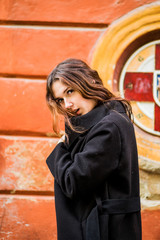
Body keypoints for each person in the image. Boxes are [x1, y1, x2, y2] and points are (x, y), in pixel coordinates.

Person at [46, 58, 142, 240]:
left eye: (70, 92)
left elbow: (73, 182)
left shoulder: (108, 127)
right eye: (60, 99)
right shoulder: (100, 123)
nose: (67, 105)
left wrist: (60, 149)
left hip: (103, 231)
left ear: (87, 83)